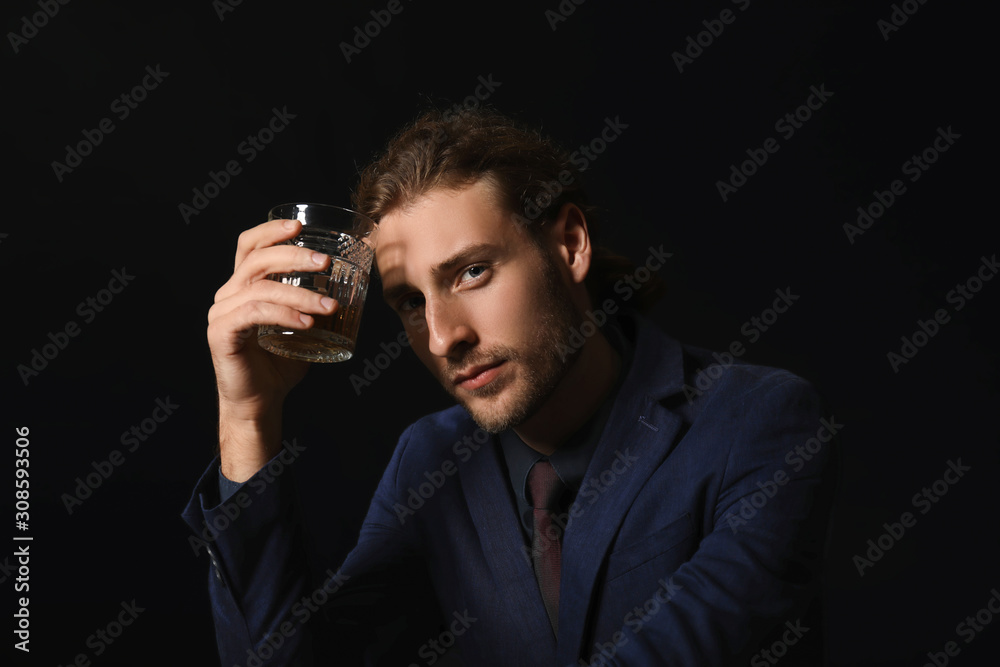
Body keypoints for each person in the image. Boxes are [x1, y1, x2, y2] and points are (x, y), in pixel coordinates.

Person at [183, 107, 837, 666]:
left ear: (570, 244)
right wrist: (248, 416)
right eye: (410, 301)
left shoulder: (760, 420)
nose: (443, 337)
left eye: (471, 272)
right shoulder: (430, 461)